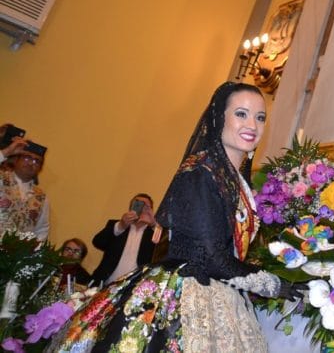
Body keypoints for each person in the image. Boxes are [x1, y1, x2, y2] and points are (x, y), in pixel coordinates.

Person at [48, 82, 301, 352]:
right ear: (219, 118)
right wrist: (271, 283)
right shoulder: (200, 172)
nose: (252, 124)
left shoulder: (236, 181)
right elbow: (211, 256)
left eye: (260, 117)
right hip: (186, 291)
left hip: (224, 293)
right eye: (241, 113)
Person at [90, 193, 160, 285]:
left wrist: (154, 225)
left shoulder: (154, 232)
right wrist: (121, 226)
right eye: (138, 204)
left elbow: (165, 251)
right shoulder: (116, 225)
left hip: (135, 288)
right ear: (131, 207)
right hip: (106, 283)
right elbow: (98, 242)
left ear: (151, 210)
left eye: (146, 206)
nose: (142, 208)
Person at [0, 139, 50, 242]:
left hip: (13, 255)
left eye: (37, 161)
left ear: (40, 168)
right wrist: (6, 152)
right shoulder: (1, 178)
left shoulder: (41, 198)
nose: (31, 163)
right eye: (27, 158)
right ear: (16, 160)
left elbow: (42, 230)